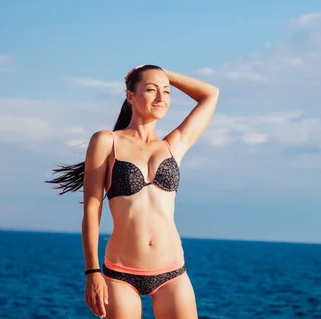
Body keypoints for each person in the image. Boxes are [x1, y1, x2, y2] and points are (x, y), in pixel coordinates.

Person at [47, 64, 219, 319]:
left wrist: (161, 74)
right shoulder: (107, 141)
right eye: (151, 90)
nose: (161, 97)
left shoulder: (174, 145)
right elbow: (92, 209)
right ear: (130, 96)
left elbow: (211, 94)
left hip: (173, 272)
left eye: (167, 91)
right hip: (120, 273)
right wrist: (92, 272)